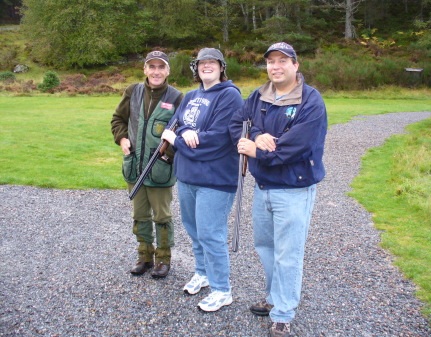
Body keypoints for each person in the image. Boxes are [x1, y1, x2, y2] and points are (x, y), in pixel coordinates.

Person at [229, 42, 327, 337]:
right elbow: (239, 122)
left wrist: (259, 152)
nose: (276, 66)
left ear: (296, 65)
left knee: (289, 253)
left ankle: (283, 313)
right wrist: (257, 136)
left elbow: (300, 144)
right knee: (266, 248)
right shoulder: (258, 96)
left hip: (294, 189)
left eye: (283, 61)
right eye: (271, 61)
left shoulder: (311, 100)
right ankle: (274, 298)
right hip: (263, 187)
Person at [161, 48, 244, 312]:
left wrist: (179, 140)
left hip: (215, 179)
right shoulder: (191, 96)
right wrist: (184, 133)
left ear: (221, 67)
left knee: (211, 234)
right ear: (195, 68)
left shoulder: (230, 96)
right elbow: (176, 124)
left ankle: (222, 290)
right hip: (187, 176)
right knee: (194, 230)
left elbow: (218, 140)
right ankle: (202, 273)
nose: (206, 66)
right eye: (202, 63)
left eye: (212, 63)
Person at [111, 51, 183, 278]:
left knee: (162, 216)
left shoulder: (177, 97)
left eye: (161, 67)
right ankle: (144, 255)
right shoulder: (133, 92)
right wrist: (122, 139)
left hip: (160, 169)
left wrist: (167, 155)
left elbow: (182, 130)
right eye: (151, 67)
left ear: (168, 71)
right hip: (135, 167)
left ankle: (163, 259)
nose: (156, 71)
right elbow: (118, 120)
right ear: (145, 70)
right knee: (140, 215)